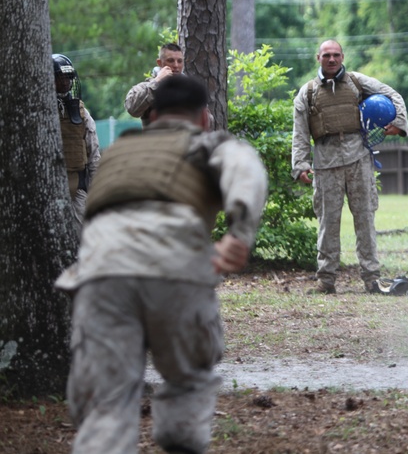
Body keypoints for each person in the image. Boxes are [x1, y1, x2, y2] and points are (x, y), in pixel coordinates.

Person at [55, 74, 268, 454]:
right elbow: (244, 167)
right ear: (203, 117)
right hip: (175, 270)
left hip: (101, 275)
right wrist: (240, 231)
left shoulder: (119, 151)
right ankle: (181, 437)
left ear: (151, 115)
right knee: (189, 379)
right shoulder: (204, 143)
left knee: (106, 402)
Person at [291, 39, 408, 295]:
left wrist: (399, 123)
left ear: (342, 57)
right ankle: (326, 280)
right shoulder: (308, 92)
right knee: (327, 223)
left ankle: (371, 279)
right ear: (318, 58)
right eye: (326, 56)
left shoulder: (357, 82)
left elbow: (393, 95)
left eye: (336, 55)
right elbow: (300, 132)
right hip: (325, 163)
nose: (331, 60)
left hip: (358, 159)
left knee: (365, 219)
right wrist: (300, 164)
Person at [53, 54, 101, 235]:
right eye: (60, 77)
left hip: (76, 189)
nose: (65, 82)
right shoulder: (40, 110)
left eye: (68, 78)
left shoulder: (80, 112)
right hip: (50, 189)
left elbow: (93, 152)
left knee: (83, 238)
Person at [124, 42, 184, 126]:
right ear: (159, 63)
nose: (176, 65)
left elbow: (207, 121)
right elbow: (132, 109)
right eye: (170, 60)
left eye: (180, 61)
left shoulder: (189, 89)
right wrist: (157, 82)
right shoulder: (145, 87)